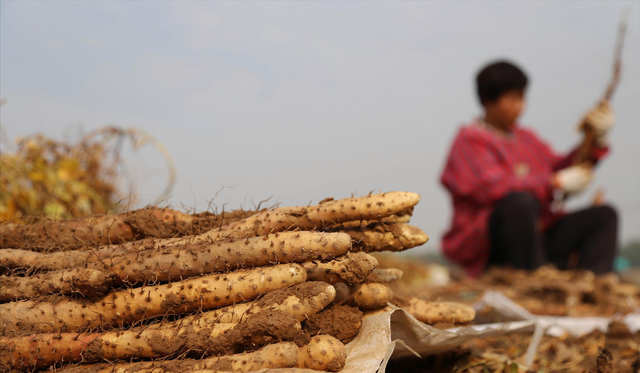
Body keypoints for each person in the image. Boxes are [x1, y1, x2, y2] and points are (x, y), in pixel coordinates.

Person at [440, 60, 618, 278]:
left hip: (539, 236)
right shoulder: (469, 138)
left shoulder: (527, 139)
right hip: (492, 245)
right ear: (489, 100)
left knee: (605, 216)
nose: (521, 106)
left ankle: (593, 286)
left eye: (522, 98)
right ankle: (534, 280)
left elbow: (560, 166)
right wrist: (554, 183)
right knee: (518, 204)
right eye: (513, 98)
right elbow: (490, 186)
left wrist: (594, 141)